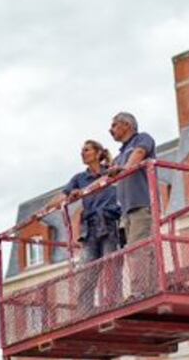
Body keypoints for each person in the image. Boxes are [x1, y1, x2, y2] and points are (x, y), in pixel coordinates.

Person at [107, 112, 157, 298]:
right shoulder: (120, 155)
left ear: (126, 125)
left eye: (113, 125)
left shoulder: (142, 138)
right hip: (127, 209)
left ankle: (141, 291)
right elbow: (107, 177)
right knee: (139, 249)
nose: (110, 130)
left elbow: (139, 153)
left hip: (141, 203)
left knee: (138, 249)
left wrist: (126, 169)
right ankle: (148, 288)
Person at [63, 140, 121, 262]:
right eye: (81, 151)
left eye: (86, 150)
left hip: (109, 221)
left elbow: (114, 177)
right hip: (90, 227)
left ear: (98, 153)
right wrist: (43, 210)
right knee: (88, 272)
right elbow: (62, 196)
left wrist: (83, 191)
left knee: (111, 264)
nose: (82, 153)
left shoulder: (111, 171)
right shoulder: (79, 178)